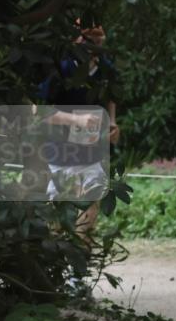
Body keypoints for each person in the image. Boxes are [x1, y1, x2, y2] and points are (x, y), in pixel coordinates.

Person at [37, 24, 120, 244]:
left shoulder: (107, 68)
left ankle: (78, 270)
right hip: (60, 147)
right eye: (92, 41)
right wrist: (76, 120)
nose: (97, 46)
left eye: (100, 41)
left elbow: (112, 96)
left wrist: (112, 122)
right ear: (78, 41)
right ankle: (56, 263)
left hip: (94, 146)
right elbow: (40, 112)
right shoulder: (61, 68)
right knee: (57, 207)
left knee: (92, 204)